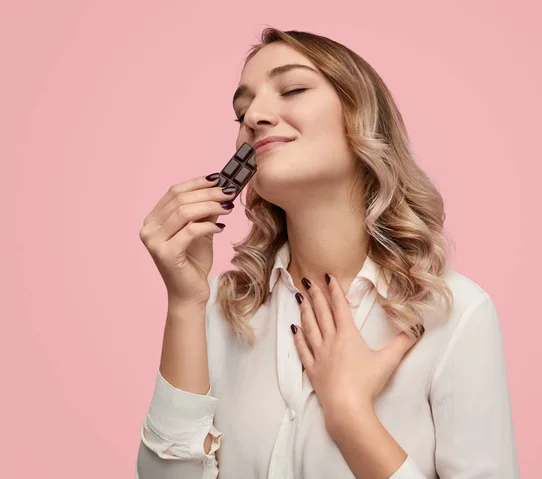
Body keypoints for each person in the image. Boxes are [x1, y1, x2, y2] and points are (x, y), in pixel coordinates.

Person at [135, 28, 520, 479]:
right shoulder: (219, 309)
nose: (254, 116)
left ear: (361, 118)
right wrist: (184, 304)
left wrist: (350, 416)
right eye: (242, 110)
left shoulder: (452, 313)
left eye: (293, 89)